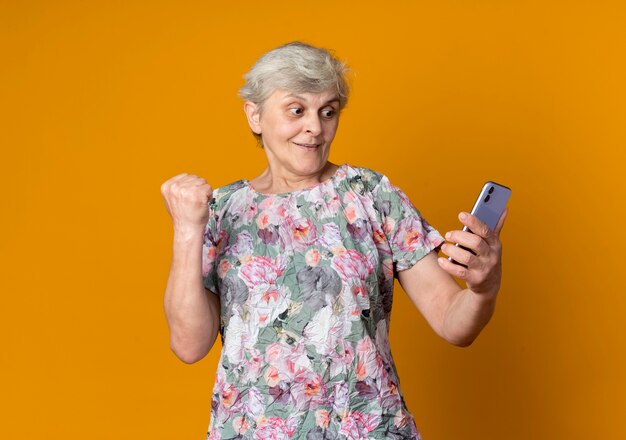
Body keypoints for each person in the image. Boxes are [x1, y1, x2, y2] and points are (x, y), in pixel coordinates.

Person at [160, 41, 507, 440]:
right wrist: (188, 230)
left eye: (328, 112)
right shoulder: (221, 210)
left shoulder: (372, 194)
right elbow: (189, 345)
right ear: (254, 115)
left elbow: (452, 322)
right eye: (296, 110)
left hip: (366, 427)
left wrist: (484, 288)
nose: (315, 127)